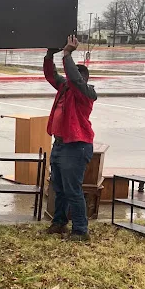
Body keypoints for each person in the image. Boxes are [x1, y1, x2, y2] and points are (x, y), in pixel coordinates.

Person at [44, 35, 97, 241]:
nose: (67, 81)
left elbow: (73, 78)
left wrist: (67, 54)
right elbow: (51, 76)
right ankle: (59, 222)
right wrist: (50, 55)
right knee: (59, 187)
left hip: (77, 146)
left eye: (73, 79)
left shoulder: (86, 93)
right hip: (60, 144)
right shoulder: (65, 89)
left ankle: (81, 230)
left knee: (73, 190)